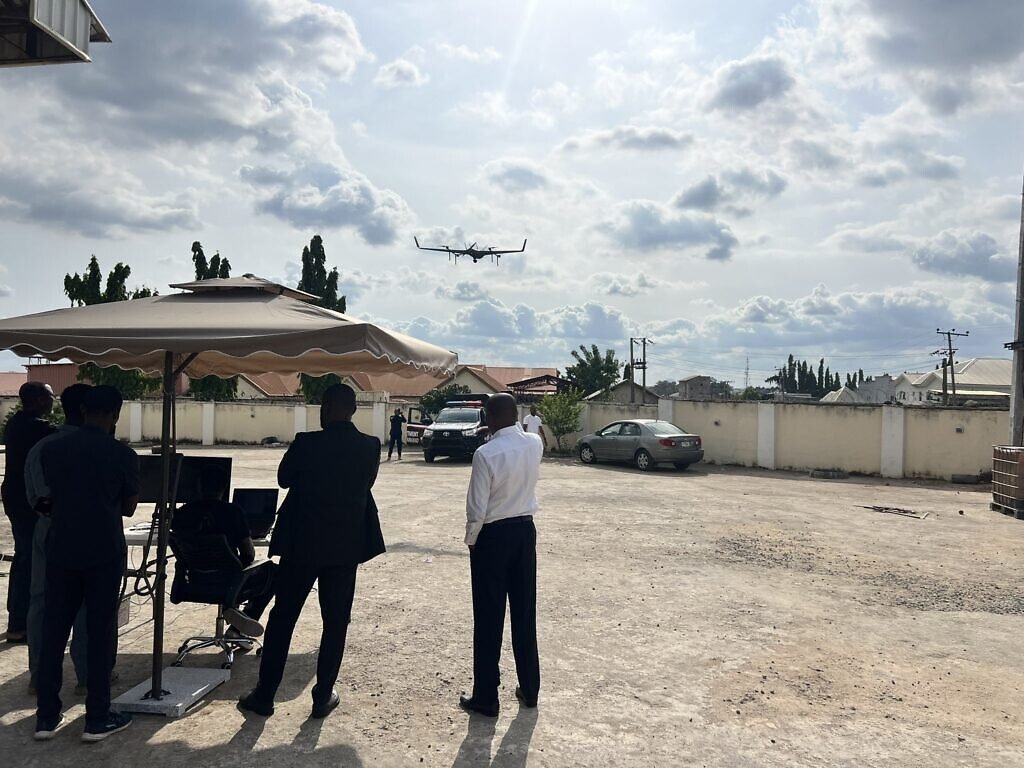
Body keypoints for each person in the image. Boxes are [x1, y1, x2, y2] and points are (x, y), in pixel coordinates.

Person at [239, 383, 384, 720]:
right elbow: (366, 484)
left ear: (327, 408)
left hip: (301, 545)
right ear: (353, 410)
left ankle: (264, 695)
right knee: (336, 622)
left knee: (283, 618)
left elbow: (283, 479)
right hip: (345, 548)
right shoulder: (370, 446)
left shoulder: (306, 442)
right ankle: (322, 696)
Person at [35, 385, 138, 742]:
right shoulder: (122, 455)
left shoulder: (53, 449)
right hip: (103, 550)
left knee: (54, 630)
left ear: (81, 411)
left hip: (61, 547)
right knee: (99, 632)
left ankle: (46, 716)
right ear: (115, 415)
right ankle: (97, 717)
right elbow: (129, 508)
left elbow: (50, 495)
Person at [459, 393, 543, 718]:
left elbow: (476, 506)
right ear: (516, 415)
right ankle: (530, 688)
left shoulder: (485, 454)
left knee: (489, 617)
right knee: (524, 612)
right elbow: (523, 442)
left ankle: (486, 696)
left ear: (489, 417)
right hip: (524, 531)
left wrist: (472, 540)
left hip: (493, 537)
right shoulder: (534, 444)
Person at [24, 384, 93, 695]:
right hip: (87, 533)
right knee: (87, 604)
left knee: (43, 602)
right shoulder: (97, 448)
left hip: (46, 529)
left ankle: (40, 675)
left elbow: (34, 496)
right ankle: (88, 676)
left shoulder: (42, 448)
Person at [172, 464, 274, 639]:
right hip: (229, 583)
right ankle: (239, 625)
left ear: (198, 486)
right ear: (224, 487)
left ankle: (235, 619)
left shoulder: (182, 514)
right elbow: (249, 555)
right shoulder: (233, 512)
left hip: (194, 581)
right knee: (273, 572)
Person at [2, 382, 56, 643]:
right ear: (38, 399)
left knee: (24, 555)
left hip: (15, 496)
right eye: (50, 396)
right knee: (29, 558)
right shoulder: (36, 428)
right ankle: (19, 622)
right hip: (27, 499)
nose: (53, 401)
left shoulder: (16, 423)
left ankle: (18, 617)